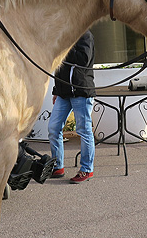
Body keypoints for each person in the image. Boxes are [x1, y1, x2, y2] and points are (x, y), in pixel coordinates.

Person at [48, 31, 96, 184]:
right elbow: (59, 67)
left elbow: (83, 59)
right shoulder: (64, 35)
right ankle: (58, 166)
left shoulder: (85, 35)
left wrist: (64, 48)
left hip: (81, 91)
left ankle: (87, 170)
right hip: (64, 93)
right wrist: (56, 91)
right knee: (53, 128)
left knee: (84, 130)